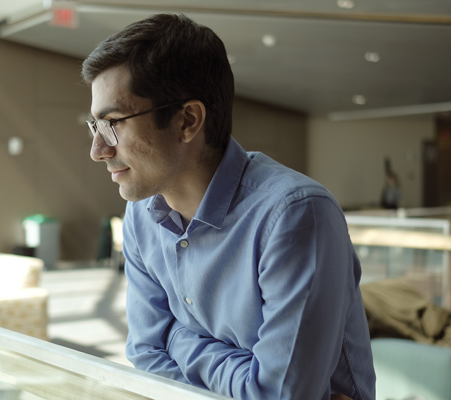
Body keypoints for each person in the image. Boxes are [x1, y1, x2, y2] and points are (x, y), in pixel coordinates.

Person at [81, 13, 375, 400]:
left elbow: (276, 395)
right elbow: (145, 353)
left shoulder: (295, 216)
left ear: (188, 120)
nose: (98, 151)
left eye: (113, 123)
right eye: (95, 126)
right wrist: (235, 369)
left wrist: (180, 341)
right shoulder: (141, 216)